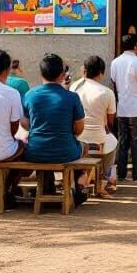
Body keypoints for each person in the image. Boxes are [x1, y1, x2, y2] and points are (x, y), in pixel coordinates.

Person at [22, 53, 90, 205]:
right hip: (65, 152)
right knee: (84, 147)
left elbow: (24, 123)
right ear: (62, 75)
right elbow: (79, 129)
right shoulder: (72, 97)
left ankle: (47, 188)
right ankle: (78, 186)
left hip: (35, 152)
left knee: (45, 149)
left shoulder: (30, 95)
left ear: (41, 73)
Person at [70, 55, 118, 195]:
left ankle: (84, 178)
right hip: (98, 138)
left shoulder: (74, 87)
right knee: (113, 142)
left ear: (84, 70)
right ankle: (103, 179)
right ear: (101, 73)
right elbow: (110, 122)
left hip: (77, 137)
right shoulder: (107, 92)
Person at [110, 34, 137, 181]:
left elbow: (114, 82)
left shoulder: (115, 62)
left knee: (122, 141)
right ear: (136, 46)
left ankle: (121, 173)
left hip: (122, 106)